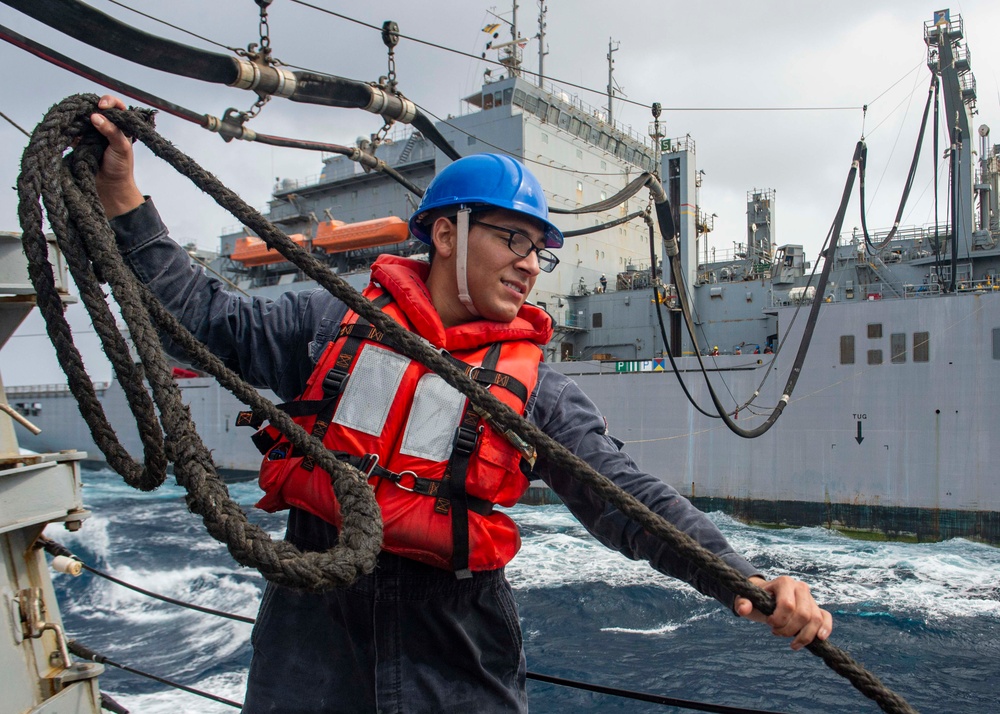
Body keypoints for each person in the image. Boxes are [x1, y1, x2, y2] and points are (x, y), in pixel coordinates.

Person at [90, 95, 831, 714]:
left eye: (540, 249)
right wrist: (124, 196)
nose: (529, 264)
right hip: (311, 654)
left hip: (458, 664)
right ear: (446, 233)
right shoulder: (327, 324)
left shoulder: (535, 390)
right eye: (513, 237)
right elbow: (199, 319)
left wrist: (741, 576)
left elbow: (623, 497)